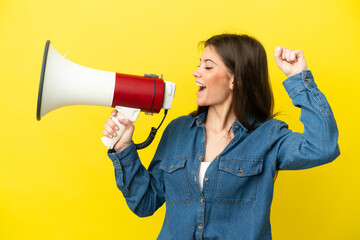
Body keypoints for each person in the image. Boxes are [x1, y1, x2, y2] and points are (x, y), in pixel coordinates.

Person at [103, 34, 340, 240]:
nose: (196, 73)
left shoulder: (267, 136)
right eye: (199, 65)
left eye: (208, 66)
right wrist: (124, 149)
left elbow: (323, 146)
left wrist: (299, 78)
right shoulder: (177, 131)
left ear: (236, 79)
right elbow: (145, 203)